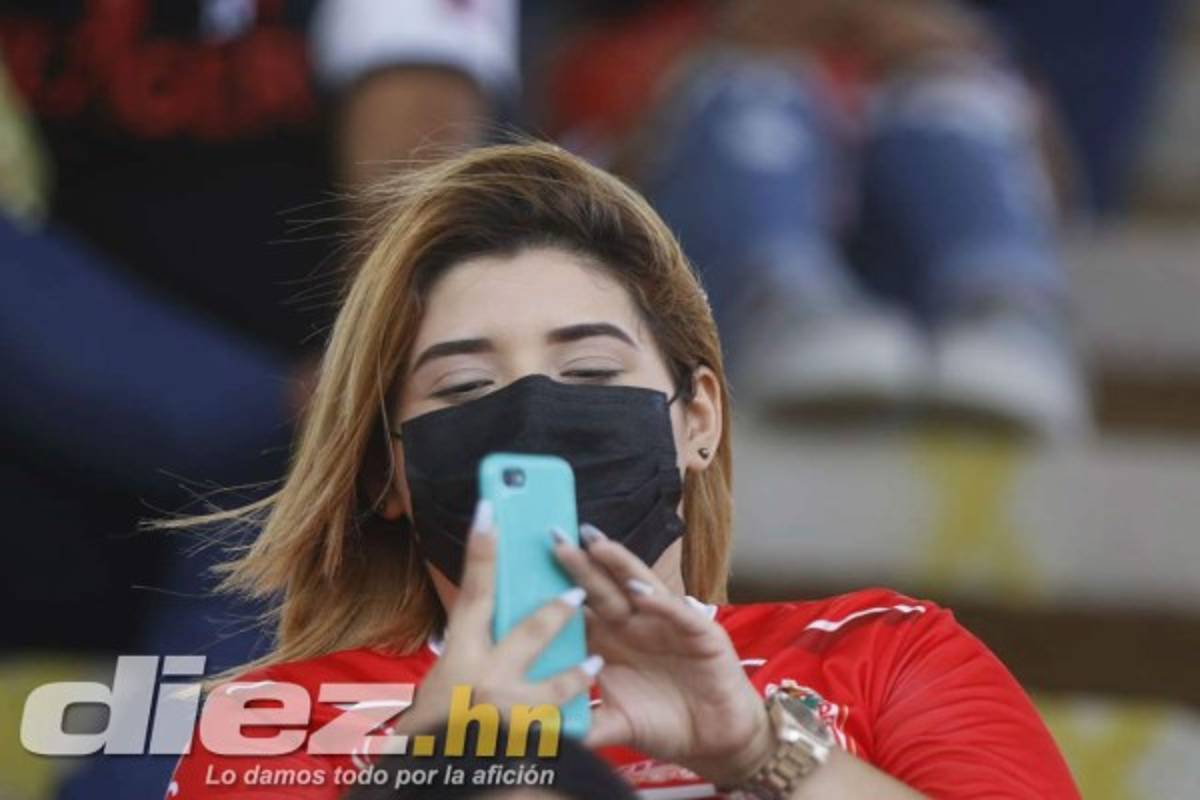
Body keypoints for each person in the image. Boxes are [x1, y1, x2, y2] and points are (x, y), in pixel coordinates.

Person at [166, 142, 1080, 799]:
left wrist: (762, 755)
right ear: (387, 476)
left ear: (700, 421)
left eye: (592, 373)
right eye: (465, 386)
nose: (532, 415)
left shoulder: (882, 655)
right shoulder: (285, 721)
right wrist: (449, 765)